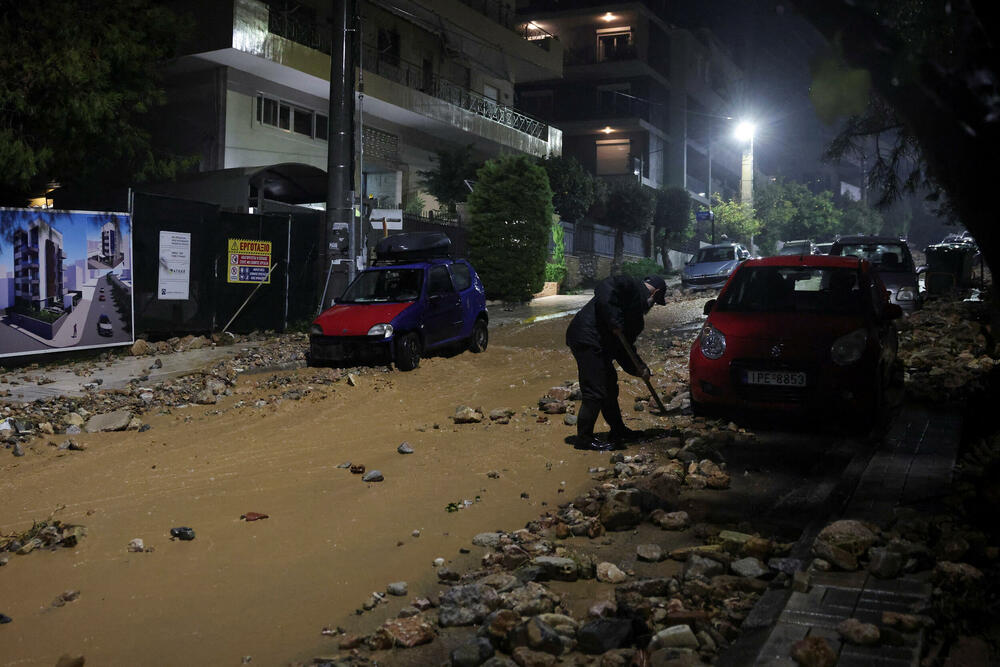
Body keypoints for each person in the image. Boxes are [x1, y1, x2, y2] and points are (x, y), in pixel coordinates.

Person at [565, 274, 667, 451]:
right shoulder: (630, 284)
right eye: (656, 300)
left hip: (601, 346)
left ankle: (618, 430)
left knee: (610, 389)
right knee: (595, 391)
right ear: (655, 293)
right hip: (586, 338)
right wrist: (614, 320)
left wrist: (640, 368)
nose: (653, 305)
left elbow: (624, 349)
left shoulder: (636, 321)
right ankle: (584, 439)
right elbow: (604, 288)